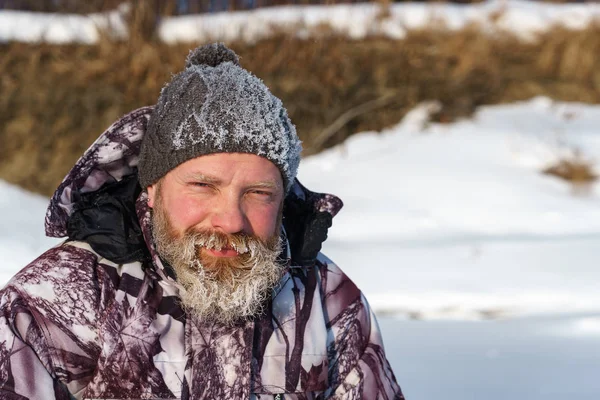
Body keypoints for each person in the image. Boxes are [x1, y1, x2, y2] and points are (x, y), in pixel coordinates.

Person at [0, 43, 403, 399]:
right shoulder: (51, 305)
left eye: (258, 193)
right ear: (153, 189)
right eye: (203, 186)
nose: (230, 220)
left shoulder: (329, 302)